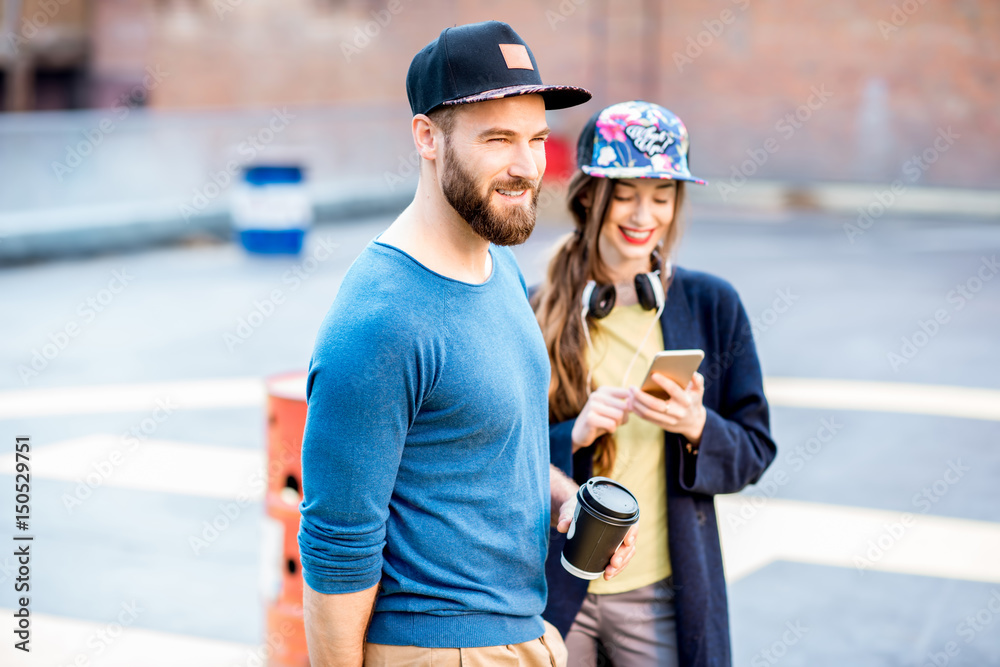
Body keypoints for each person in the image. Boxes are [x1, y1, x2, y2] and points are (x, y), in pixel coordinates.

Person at [297, 22, 638, 667]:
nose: (527, 167)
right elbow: (338, 543)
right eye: (498, 139)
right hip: (440, 650)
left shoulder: (495, 264)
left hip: (524, 633)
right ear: (427, 137)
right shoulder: (380, 317)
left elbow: (490, 448)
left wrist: (566, 499)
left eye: (537, 138)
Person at [531, 101, 777, 667]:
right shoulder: (532, 307)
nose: (646, 214)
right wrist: (573, 433)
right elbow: (495, 450)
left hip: (662, 595)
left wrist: (698, 427)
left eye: (662, 195)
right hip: (554, 587)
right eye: (627, 193)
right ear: (590, 195)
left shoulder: (714, 305)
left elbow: (756, 450)